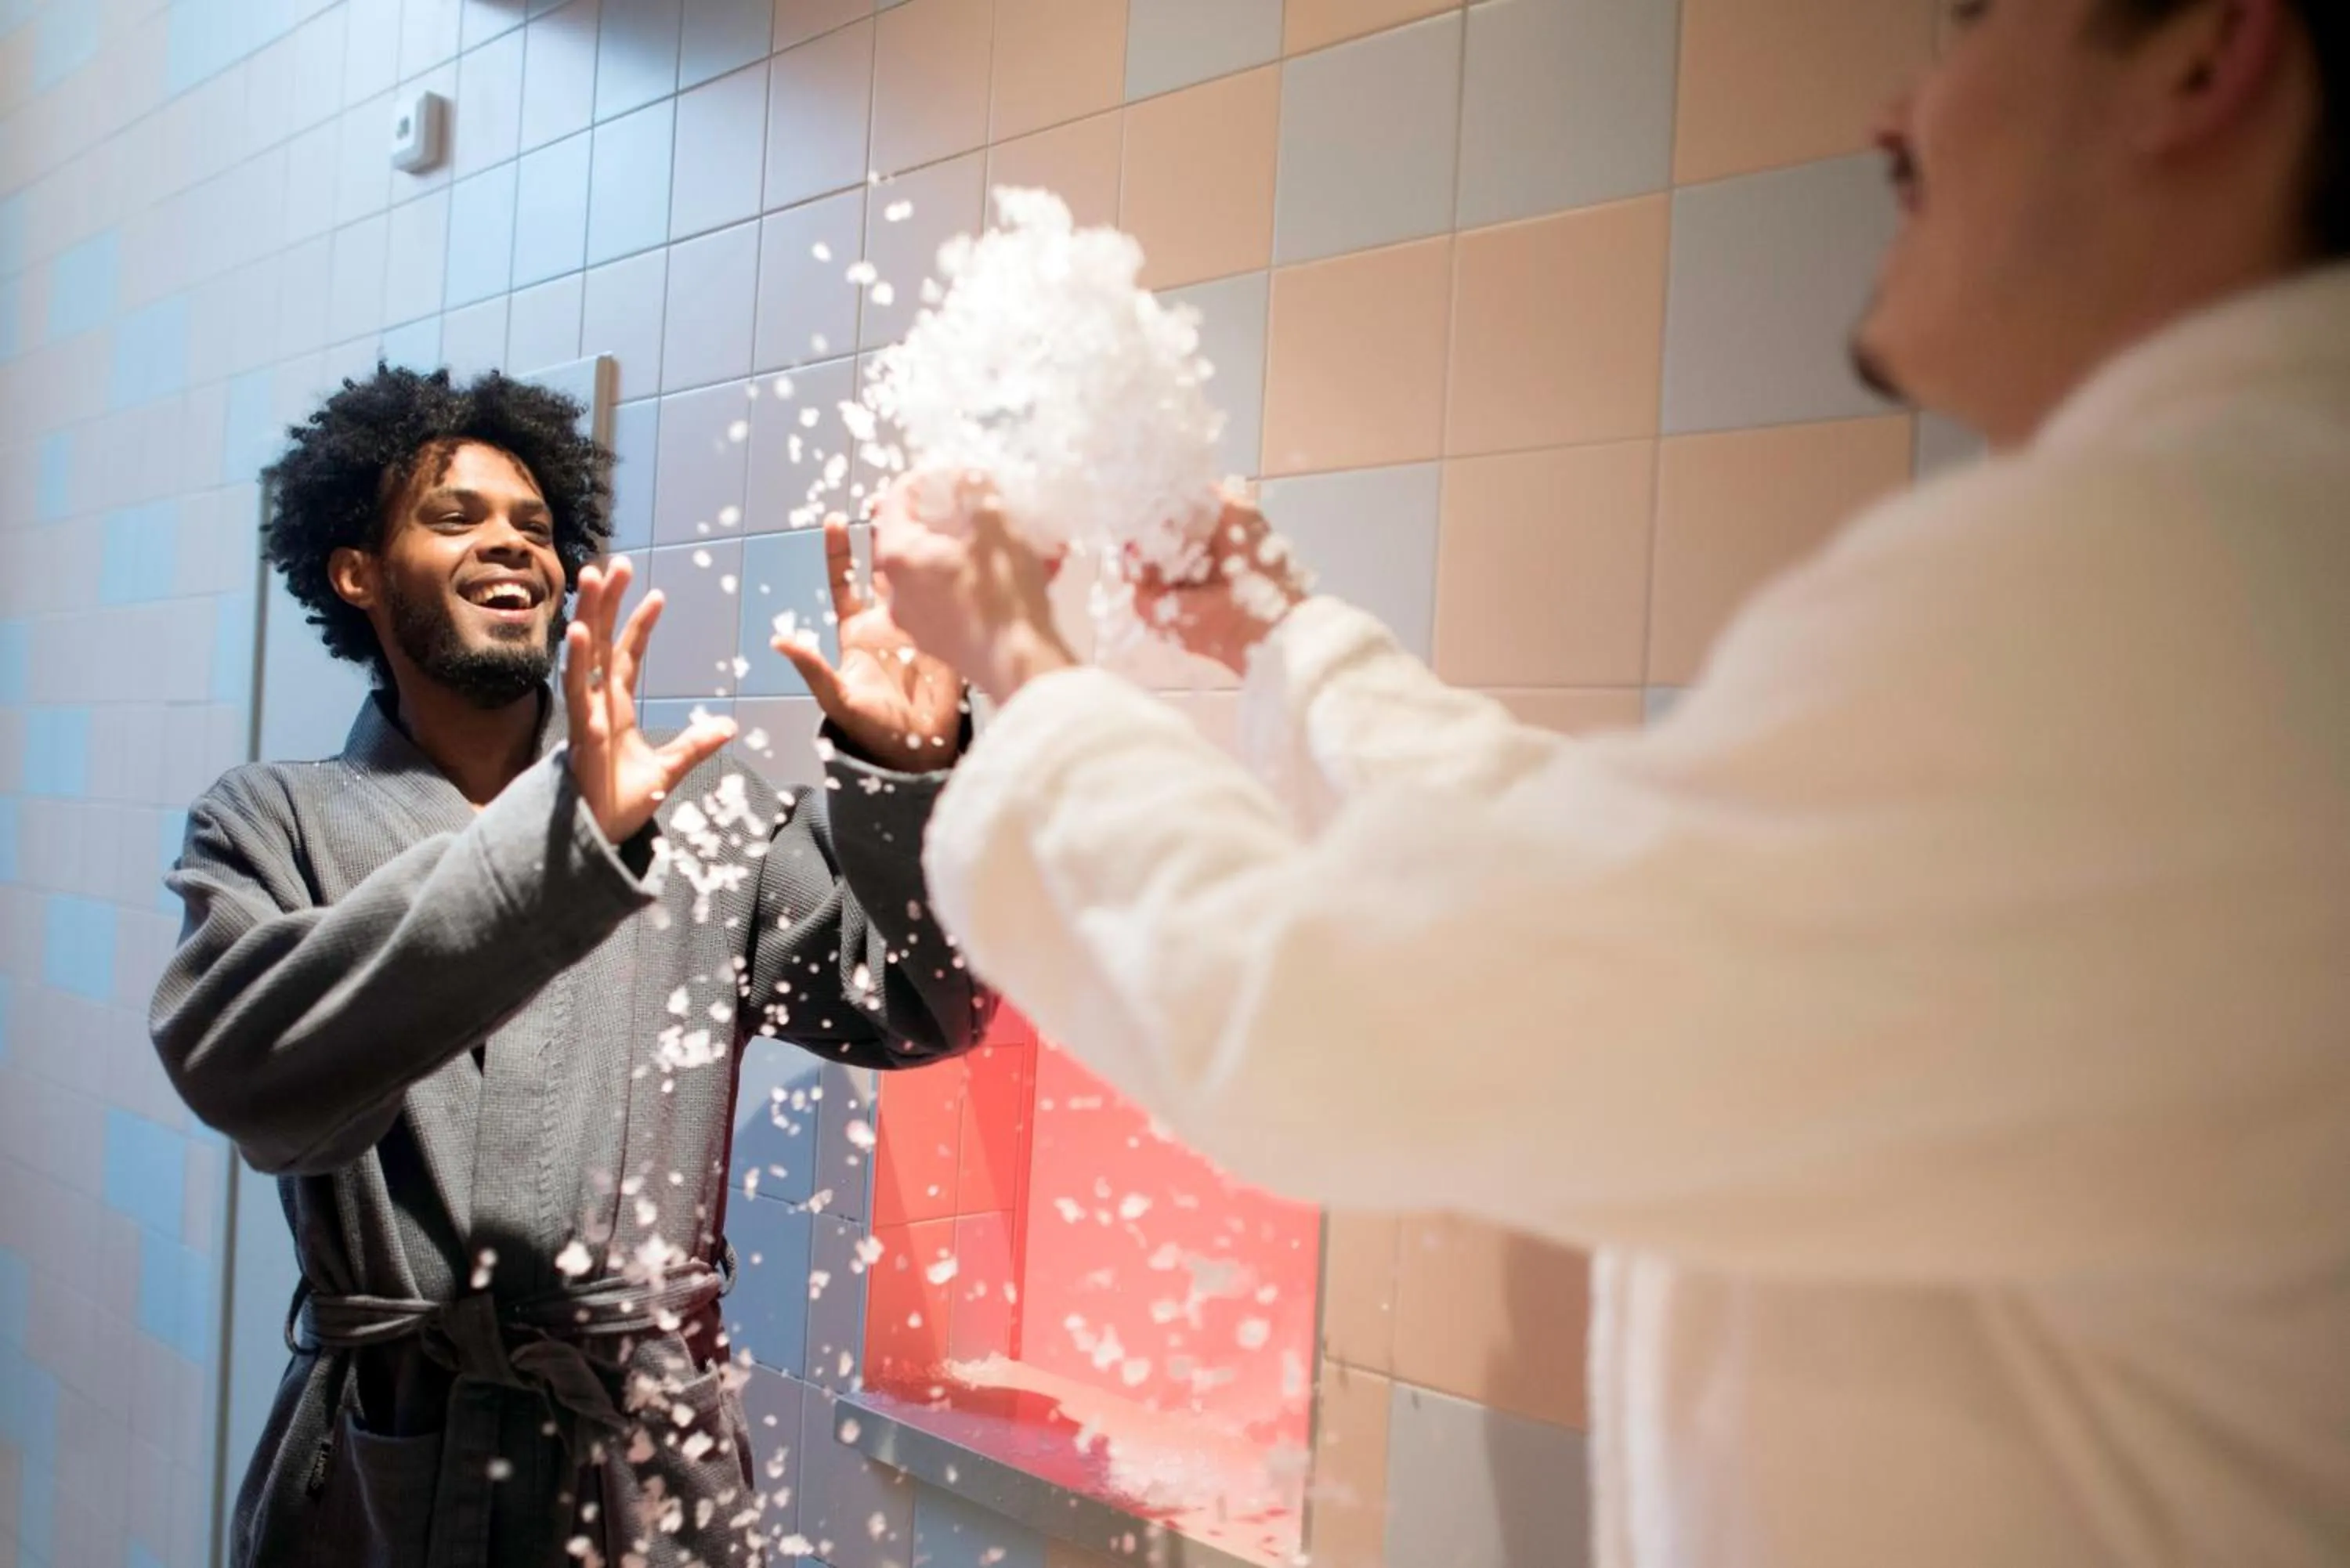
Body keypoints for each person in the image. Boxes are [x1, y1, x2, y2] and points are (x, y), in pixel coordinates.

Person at [868, 1, 2350, 1563]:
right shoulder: (2250, 573)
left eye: (1971, 24)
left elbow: (1331, 1016)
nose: (1893, 113)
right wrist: (1272, 631)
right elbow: (1582, 872)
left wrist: (1022, 663)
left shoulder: (2141, 595)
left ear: (2204, 58)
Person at [150, 365, 989, 1568]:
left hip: (642, 1479)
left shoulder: (698, 805)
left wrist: (907, 788)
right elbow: (244, 1078)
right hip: (381, 1480)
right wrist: (567, 852)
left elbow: (917, 1006)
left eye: (537, 525)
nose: (513, 543)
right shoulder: (269, 822)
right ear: (357, 575)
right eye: (458, 516)